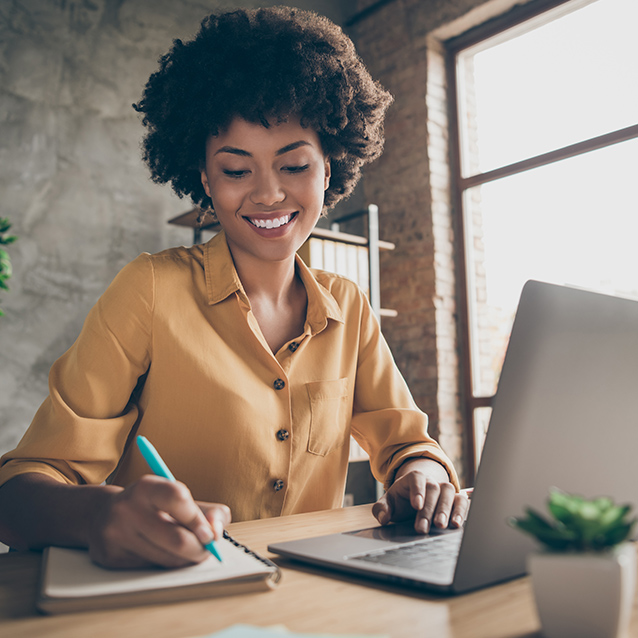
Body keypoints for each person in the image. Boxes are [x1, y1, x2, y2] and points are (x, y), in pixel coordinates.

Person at [0, 6, 469, 569]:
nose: (268, 194)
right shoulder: (150, 291)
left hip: (309, 605)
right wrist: (100, 514)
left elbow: (408, 446)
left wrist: (423, 476)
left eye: (294, 166)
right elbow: (18, 495)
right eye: (237, 170)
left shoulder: (348, 305)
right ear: (203, 178)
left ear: (330, 169)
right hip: (163, 602)